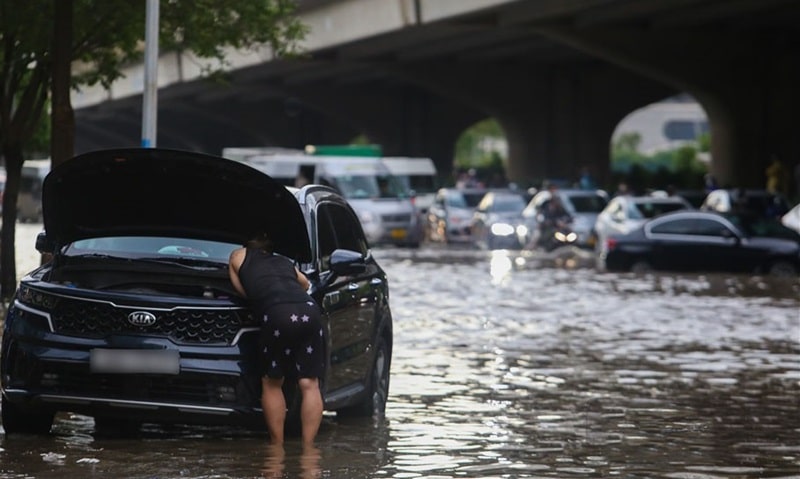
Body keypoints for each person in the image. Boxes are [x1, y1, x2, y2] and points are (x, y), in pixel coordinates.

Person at [228, 232, 324, 446]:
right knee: (309, 383)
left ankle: (277, 448)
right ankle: (309, 452)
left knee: (272, 381)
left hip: (277, 313)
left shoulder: (237, 255)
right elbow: (306, 284)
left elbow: (243, 292)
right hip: (309, 310)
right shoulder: (283, 261)